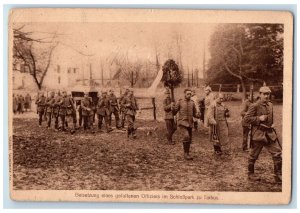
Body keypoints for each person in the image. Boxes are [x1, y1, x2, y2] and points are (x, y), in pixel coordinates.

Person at [244, 86, 282, 183]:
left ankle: (278, 175)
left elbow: (270, 118)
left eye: (268, 94)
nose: (266, 96)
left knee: (277, 153)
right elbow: (246, 119)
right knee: (253, 155)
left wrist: (272, 124)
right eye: (264, 94)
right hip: (259, 134)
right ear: (260, 94)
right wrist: (258, 119)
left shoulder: (270, 105)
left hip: (269, 133)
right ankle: (250, 174)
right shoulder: (254, 105)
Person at [174, 88, 200, 160]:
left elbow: (195, 114)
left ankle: (187, 153)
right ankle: (186, 154)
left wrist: (198, 115)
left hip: (190, 123)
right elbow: (174, 112)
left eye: (190, 94)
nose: (189, 95)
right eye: (188, 94)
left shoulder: (192, 102)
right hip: (182, 122)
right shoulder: (180, 102)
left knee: (189, 139)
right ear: (184, 94)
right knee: (186, 136)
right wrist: (173, 108)